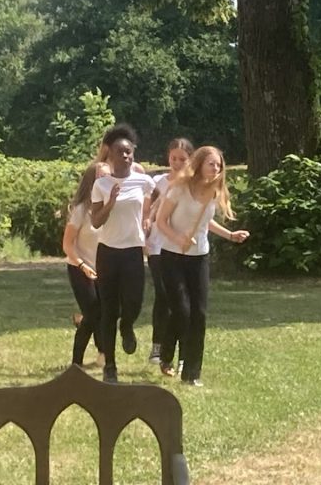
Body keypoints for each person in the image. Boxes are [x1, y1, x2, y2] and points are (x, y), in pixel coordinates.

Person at [156, 145, 249, 387]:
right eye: (211, 163)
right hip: (172, 256)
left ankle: (192, 374)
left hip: (199, 257)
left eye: (219, 165)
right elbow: (161, 221)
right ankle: (166, 353)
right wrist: (178, 238)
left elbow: (205, 223)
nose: (216, 168)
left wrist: (230, 235)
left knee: (199, 314)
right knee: (182, 311)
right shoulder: (179, 188)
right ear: (199, 164)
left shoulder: (213, 192)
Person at [91, 124, 156, 384]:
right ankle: (110, 365)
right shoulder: (101, 184)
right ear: (111, 155)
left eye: (129, 152)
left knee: (133, 302)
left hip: (132, 252)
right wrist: (110, 202)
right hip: (108, 252)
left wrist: (148, 217)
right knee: (109, 309)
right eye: (121, 152)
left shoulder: (143, 181)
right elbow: (96, 221)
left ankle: (127, 325)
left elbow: (158, 196)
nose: (126, 156)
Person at [146, 138, 194, 365]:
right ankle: (157, 347)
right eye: (173, 158)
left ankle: (183, 352)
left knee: (183, 301)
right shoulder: (158, 182)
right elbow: (148, 211)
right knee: (163, 295)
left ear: (190, 160)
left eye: (182, 159)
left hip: (183, 248)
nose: (176, 163)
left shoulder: (194, 184)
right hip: (158, 246)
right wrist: (145, 229)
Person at [62, 164, 104, 368]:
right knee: (94, 314)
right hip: (80, 268)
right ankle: (78, 363)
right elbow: (67, 245)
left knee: (99, 315)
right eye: (102, 178)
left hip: (103, 270)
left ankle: (99, 356)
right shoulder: (81, 211)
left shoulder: (109, 209)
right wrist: (82, 265)